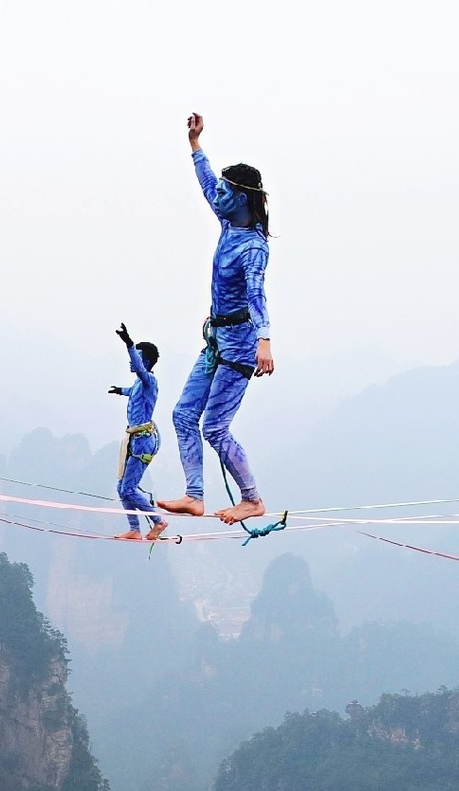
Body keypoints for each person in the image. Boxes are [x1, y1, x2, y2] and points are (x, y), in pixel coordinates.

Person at [155, 112, 276, 526]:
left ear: (242, 198)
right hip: (217, 340)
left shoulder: (253, 247)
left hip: (242, 342)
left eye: (227, 191)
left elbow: (257, 292)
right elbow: (207, 184)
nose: (218, 195)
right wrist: (195, 145)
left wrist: (265, 340)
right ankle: (194, 495)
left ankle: (252, 499)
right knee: (183, 415)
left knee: (215, 427)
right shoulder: (228, 221)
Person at [108, 323, 166, 541]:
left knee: (129, 489)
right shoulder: (139, 384)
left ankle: (158, 521)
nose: (132, 362)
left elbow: (140, 371)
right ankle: (134, 529)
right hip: (135, 439)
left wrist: (129, 343)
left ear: (146, 361)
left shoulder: (149, 380)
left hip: (143, 441)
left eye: (137, 358)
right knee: (122, 488)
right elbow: (131, 390)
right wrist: (119, 391)